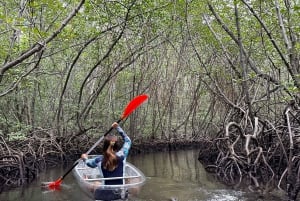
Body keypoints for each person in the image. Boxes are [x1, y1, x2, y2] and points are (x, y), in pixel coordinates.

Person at [81, 122, 131, 200]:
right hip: (121, 195)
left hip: (104, 196)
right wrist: (118, 128)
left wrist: (84, 158)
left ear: (104, 146)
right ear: (117, 146)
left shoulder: (98, 160)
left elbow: (89, 163)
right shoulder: (122, 155)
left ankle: (87, 181)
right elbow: (128, 141)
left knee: (95, 183)